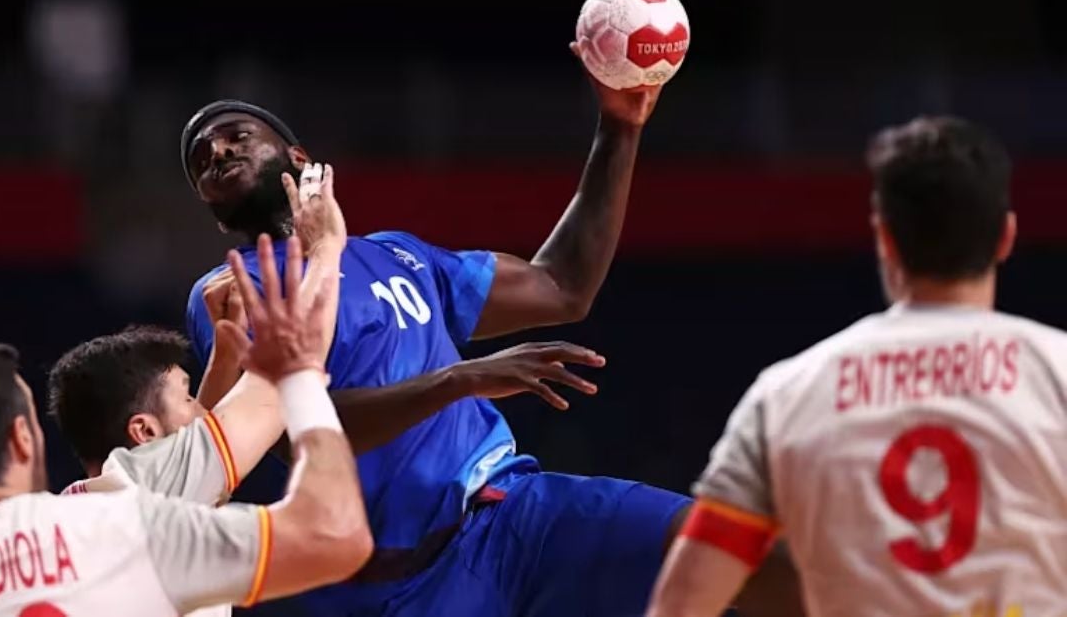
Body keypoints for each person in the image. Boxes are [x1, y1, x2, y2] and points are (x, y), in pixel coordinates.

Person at [180, 48, 800, 616]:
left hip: (515, 513)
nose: (219, 154)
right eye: (204, 162)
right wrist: (461, 379)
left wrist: (619, 125)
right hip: (403, 584)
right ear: (212, 213)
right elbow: (291, 434)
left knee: (735, 549)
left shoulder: (400, 256)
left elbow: (561, 285)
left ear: (301, 160)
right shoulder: (230, 292)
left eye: (235, 138)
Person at [646, 116, 1067, 617]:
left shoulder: (785, 397)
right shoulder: (1058, 373)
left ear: (885, 238)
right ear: (1006, 236)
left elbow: (682, 605)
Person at [0, 235, 372, 616]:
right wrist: (327, 250)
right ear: (22, 438)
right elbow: (332, 533)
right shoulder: (120, 523)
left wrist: (224, 359)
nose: (201, 411)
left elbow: (201, 460)